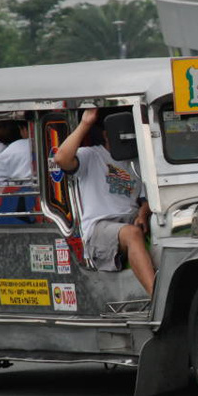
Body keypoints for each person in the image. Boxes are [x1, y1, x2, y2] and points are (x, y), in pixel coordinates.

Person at [53, 108, 155, 297]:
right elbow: (61, 159)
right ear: (106, 134)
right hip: (100, 228)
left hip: (131, 220)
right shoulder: (91, 155)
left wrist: (143, 213)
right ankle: (157, 298)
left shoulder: (137, 162)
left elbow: (146, 198)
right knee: (132, 234)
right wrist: (85, 123)